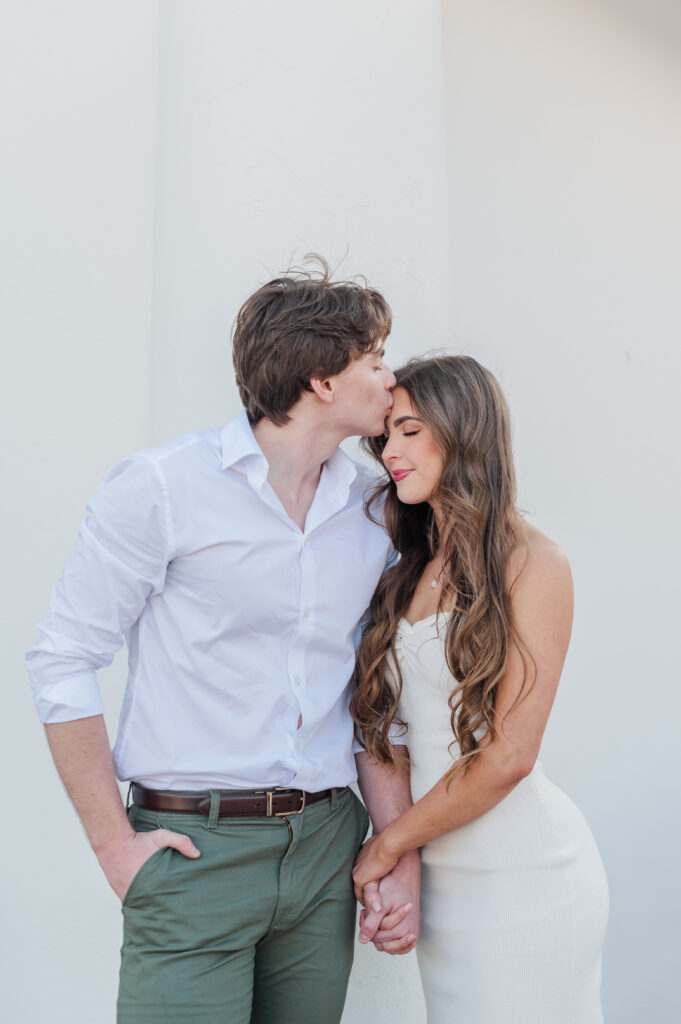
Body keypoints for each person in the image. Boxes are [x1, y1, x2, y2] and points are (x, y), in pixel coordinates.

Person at [26, 260, 420, 1024]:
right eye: (374, 359)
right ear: (321, 380)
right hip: (193, 852)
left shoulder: (375, 507)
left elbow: (373, 695)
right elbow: (63, 658)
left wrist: (395, 852)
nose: (388, 375)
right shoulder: (162, 488)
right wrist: (116, 848)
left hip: (326, 849)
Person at [351, 354, 609, 1023]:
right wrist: (403, 853)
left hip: (525, 878)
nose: (390, 452)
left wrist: (386, 845)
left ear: (461, 428)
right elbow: (386, 732)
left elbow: (507, 757)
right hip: (442, 888)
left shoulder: (532, 562)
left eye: (409, 430)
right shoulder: (402, 571)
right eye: (385, 437)